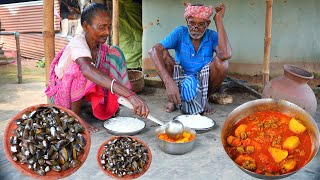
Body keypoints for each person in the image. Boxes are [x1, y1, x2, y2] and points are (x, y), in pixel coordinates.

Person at [45, 3, 149, 133]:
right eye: (101, 27)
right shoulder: (78, 42)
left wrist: (122, 97)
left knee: (114, 53)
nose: (107, 32)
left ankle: (99, 105)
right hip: (62, 95)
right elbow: (87, 70)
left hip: (80, 94)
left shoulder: (100, 47)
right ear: (86, 26)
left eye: (109, 26)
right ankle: (76, 116)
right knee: (81, 70)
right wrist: (130, 95)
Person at [148, 3, 231, 115]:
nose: (196, 27)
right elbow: (153, 51)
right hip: (179, 76)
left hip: (203, 79)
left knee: (223, 63)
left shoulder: (212, 36)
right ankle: (172, 99)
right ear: (187, 21)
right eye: (192, 22)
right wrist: (169, 83)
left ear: (208, 24)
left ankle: (205, 98)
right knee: (161, 53)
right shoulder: (180, 32)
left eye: (201, 24)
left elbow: (226, 55)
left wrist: (218, 20)